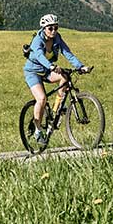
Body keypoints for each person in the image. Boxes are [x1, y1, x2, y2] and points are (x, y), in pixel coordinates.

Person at [23, 14, 91, 145]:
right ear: (44, 29)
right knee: (42, 99)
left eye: (56, 28)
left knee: (65, 77)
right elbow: (39, 56)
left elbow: (67, 53)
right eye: (50, 28)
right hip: (33, 72)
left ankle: (56, 110)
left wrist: (80, 66)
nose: (53, 31)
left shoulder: (57, 38)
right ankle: (37, 130)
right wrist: (51, 66)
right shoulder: (37, 40)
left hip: (48, 71)